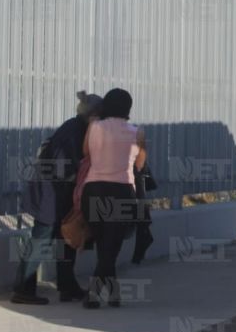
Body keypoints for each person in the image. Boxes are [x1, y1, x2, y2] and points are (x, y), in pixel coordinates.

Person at [12, 92, 102, 305]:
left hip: (60, 193)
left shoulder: (79, 128)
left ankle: (67, 286)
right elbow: (63, 166)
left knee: (67, 240)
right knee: (42, 239)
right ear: (93, 114)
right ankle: (23, 289)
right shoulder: (74, 130)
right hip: (49, 193)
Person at [80, 88, 147, 308]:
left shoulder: (94, 126)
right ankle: (93, 293)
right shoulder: (137, 133)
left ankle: (113, 292)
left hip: (93, 189)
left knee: (103, 244)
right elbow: (140, 165)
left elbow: (86, 153)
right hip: (122, 191)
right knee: (112, 246)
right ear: (128, 107)